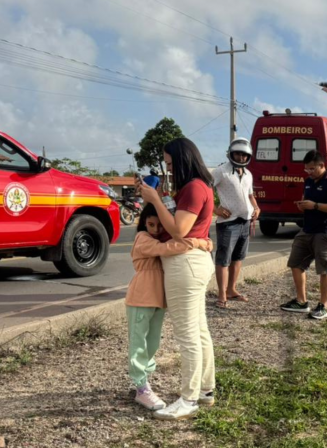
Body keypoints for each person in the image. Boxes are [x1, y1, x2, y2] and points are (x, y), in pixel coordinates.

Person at [137, 138, 216, 421]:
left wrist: (155, 200)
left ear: (182, 160)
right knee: (199, 330)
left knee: (187, 335)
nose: (167, 168)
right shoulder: (194, 187)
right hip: (191, 263)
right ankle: (205, 390)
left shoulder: (194, 187)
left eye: (169, 163)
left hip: (185, 266)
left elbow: (180, 230)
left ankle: (189, 398)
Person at [126, 203, 212, 411]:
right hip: (140, 298)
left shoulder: (159, 237)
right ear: (143, 223)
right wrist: (197, 243)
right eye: (150, 224)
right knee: (138, 343)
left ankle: (144, 382)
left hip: (158, 300)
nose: (155, 229)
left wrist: (201, 242)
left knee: (153, 343)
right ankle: (140, 386)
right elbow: (165, 249)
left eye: (160, 225)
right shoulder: (143, 239)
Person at [280, 150, 327, 320]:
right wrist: (302, 206)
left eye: (311, 169)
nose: (308, 172)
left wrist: (315, 206)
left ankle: (323, 305)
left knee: (324, 270)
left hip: (325, 232)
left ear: (321, 165)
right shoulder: (308, 182)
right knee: (295, 263)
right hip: (307, 230)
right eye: (306, 169)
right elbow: (306, 200)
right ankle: (301, 302)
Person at [210, 138, 260, 308]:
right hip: (228, 222)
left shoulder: (248, 174)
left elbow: (250, 195)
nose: (240, 157)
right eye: (238, 153)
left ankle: (231, 289)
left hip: (245, 221)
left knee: (238, 257)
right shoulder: (220, 172)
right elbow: (205, 190)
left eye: (244, 155)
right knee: (224, 258)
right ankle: (222, 294)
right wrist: (216, 209)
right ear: (231, 153)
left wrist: (256, 208)